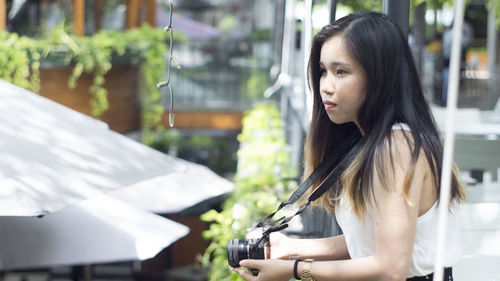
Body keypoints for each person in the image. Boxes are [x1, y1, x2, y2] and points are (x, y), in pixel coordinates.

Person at [232, 12, 465, 281]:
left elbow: (391, 270)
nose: (326, 87)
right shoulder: (371, 139)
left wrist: (295, 270)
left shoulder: (395, 147)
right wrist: (293, 248)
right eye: (323, 71)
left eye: (341, 71)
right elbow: (372, 240)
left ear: (379, 76)